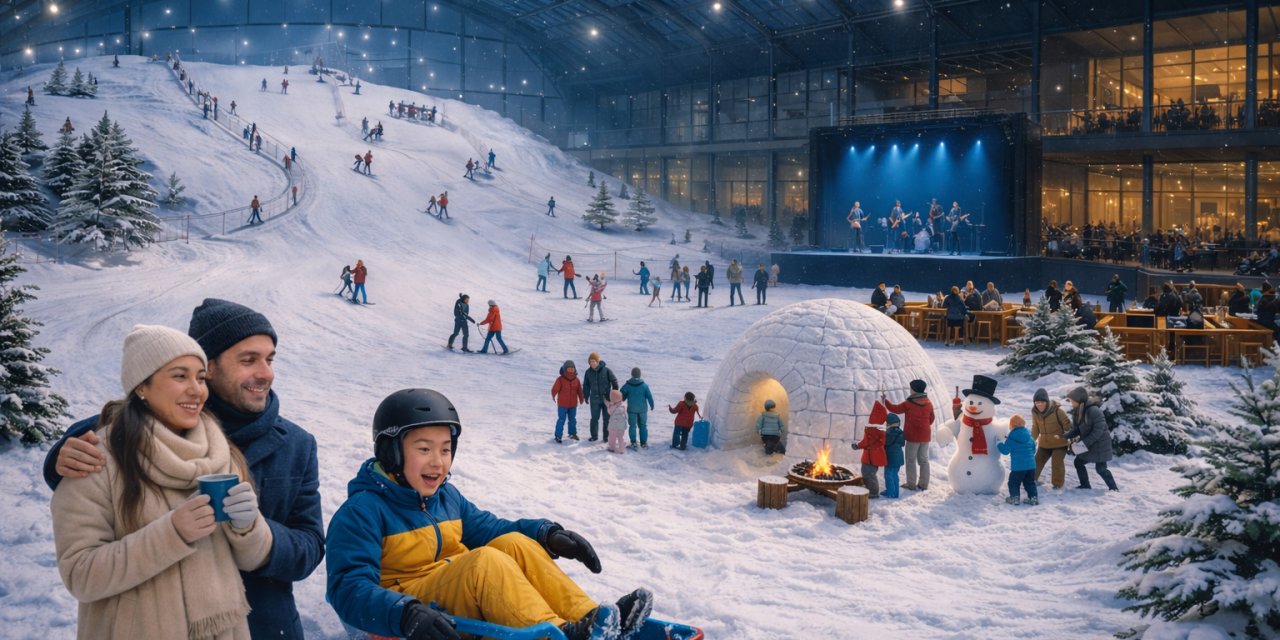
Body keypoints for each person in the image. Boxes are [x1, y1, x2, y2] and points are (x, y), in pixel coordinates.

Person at [47, 301, 325, 640]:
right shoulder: (111, 442)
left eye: (269, 359)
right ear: (206, 363)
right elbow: (118, 431)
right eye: (248, 359)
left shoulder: (296, 444)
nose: (266, 373)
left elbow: (309, 548)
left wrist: (257, 530)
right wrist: (58, 458)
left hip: (262, 626)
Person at [325, 388, 653, 640]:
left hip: (455, 594)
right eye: (424, 449)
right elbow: (347, 588)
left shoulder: (445, 498)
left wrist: (546, 534)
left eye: (445, 449)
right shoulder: (361, 512)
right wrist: (404, 613)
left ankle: (591, 619)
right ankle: (557, 634)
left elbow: (490, 528)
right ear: (391, 452)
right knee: (484, 562)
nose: (438, 462)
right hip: (413, 614)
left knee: (511, 542)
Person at [1063, 386, 1118, 491]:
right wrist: (1065, 435)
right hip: (1089, 443)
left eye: (1072, 401)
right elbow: (1076, 430)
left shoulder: (1094, 411)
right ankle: (1085, 485)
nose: (1071, 404)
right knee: (1078, 462)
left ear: (1079, 400)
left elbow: (1098, 431)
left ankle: (1114, 488)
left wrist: (1084, 443)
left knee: (1101, 469)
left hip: (1101, 444)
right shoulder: (1077, 412)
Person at [882, 379, 933, 491]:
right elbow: (931, 419)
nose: (910, 390)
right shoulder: (928, 403)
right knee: (924, 460)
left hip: (913, 436)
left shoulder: (909, 403)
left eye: (911, 388)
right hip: (925, 436)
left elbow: (894, 408)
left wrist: (885, 401)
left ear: (914, 390)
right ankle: (924, 484)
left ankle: (911, 484)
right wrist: (923, 427)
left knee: (911, 460)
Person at [1030, 388, 1070, 490]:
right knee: (1036, 461)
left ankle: (1057, 484)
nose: (1039, 405)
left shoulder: (1058, 411)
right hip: (1044, 444)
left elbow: (1068, 425)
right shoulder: (1035, 413)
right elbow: (1035, 427)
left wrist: (1069, 436)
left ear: (1047, 402)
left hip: (1059, 444)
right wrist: (1031, 440)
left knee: (1057, 463)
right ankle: (1031, 479)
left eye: (1042, 402)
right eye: (1037, 402)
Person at [998, 414, 1038, 505]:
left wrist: (998, 443)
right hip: (1031, 466)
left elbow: (1005, 451)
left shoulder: (1011, 439)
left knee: (1014, 483)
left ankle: (1015, 498)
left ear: (1011, 425)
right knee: (1029, 483)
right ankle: (1034, 498)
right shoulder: (1030, 437)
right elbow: (1033, 449)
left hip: (1018, 467)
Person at [583, 352, 619, 442]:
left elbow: (614, 381)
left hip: (606, 399)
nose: (592, 363)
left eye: (594, 361)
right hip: (594, 399)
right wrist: (586, 396)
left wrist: (614, 394)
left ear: (598, 361)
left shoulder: (606, 370)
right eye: (590, 362)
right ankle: (594, 436)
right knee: (594, 418)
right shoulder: (588, 372)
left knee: (606, 418)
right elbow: (586, 385)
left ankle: (606, 437)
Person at [620, 367, 654, 449]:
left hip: (632, 409)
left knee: (632, 426)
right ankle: (643, 443)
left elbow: (621, 394)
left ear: (632, 374)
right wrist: (652, 404)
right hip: (642, 410)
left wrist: (622, 399)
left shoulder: (627, 385)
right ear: (639, 374)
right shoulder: (644, 386)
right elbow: (649, 396)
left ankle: (633, 442)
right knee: (643, 425)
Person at [551, 361, 584, 443]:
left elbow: (579, 391)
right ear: (565, 369)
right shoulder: (560, 379)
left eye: (572, 369)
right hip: (562, 404)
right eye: (569, 369)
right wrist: (553, 395)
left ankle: (572, 433)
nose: (571, 371)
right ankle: (558, 436)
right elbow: (554, 389)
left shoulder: (576, 380)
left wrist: (581, 398)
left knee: (572, 419)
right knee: (561, 419)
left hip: (573, 405)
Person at [882, 414, 905, 498]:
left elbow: (885, 442)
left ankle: (890, 492)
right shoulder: (900, 432)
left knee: (888, 475)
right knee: (895, 475)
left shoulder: (889, 433)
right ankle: (895, 492)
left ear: (889, 424)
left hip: (891, 458)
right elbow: (902, 443)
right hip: (898, 458)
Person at [605, 389, 627, 454]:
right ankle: (621, 449)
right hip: (621, 426)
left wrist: (609, 406)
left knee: (612, 437)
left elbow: (609, 412)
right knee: (621, 437)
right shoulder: (623, 405)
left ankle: (611, 448)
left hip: (613, 425)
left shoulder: (612, 407)